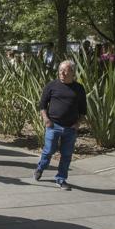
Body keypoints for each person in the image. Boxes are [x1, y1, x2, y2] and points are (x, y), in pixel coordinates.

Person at [34, 59, 87, 190]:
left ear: (73, 73)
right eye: (60, 71)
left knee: (66, 155)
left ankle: (61, 179)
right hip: (53, 125)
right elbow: (42, 105)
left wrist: (77, 124)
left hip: (70, 128)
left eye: (65, 71)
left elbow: (83, 110)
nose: (62, 73)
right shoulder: (52, 85)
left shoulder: (79, 89)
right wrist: (46, 120)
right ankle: (41, 167)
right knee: (48, 151)